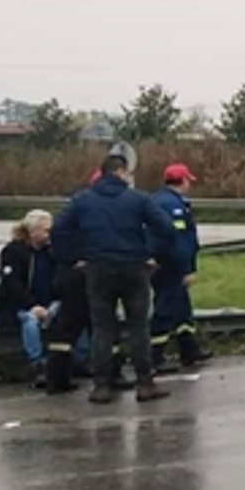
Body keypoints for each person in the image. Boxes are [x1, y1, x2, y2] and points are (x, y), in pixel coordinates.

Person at [52, 153, 176, 403]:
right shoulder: (139, 199)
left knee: (102, 328)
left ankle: (101, 386)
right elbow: (166, 229)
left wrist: (73, 258)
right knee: (138, 327)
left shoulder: (82, 201)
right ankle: (144, 383)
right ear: (122, 173)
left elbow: (58, 229)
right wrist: (151, 254)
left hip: (97, 269)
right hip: (134, 267)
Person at [149, 162, 210, 373]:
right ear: (182, 181)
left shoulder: (161, 200)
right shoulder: (172, 205)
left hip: (166, 265)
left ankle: (189, 350)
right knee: (165, 309)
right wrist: (186, 268)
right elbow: (179, 241)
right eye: (188, 181)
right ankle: (155, 357)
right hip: (170, 267)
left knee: (182, 310)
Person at [0, 209, 58, 388]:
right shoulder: (12, 252)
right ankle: (37, 365)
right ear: (33, 231)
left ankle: (77, 359)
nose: (49, 235)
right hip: (18, 306)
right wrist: (32, 305)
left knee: (74, 310)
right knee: (30, 320)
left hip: (48, 302)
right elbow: (12, 284)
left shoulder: (51, 252)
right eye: (46, 230)